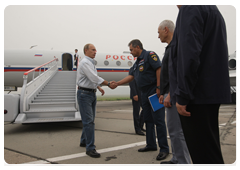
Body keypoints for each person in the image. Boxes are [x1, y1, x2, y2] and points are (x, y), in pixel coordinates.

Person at [169, 5, 232, 166]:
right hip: (209, 92)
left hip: (195, 96)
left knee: (204, 158)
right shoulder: (212, 10)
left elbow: (188, 55)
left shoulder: (190, 8)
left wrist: (182, 95)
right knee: (210, 154)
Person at [112, 39, 169, 161]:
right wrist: (118, 83)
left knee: (158, 120)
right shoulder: (137, 62)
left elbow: (159, 69)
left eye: (131, 50)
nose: (131, 52)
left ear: (138, 47)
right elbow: (131, 76)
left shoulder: (149, 55)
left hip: (153, 92)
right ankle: (151, 144)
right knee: (148, 119)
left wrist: (159, 87)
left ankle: (164, 149)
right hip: (144, 93)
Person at [157, 20, 191, 166]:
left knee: (177, 132)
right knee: (173, 131)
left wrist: (170, 94)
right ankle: (176, 159)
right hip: (168, 93)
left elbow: (178, 74)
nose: (158, 36)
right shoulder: (170, 48)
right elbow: (167, 74)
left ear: (166, 30)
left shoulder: (177, 47)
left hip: (174, 94)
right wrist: (162, 92)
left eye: (158, 33)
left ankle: (184, 164)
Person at [77, 43, 115, 158]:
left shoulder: (91, 63)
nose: (95, 51)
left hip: (91, 93)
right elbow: (93, 78)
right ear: (86, 51)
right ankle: (90, 148)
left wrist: (98, 87)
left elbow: (90, 78)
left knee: (90, 120)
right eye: (93, 50)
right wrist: (108, 83)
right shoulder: (85, 63)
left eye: (95, 50)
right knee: (89, 122)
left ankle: (84, 141)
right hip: (85, 94)